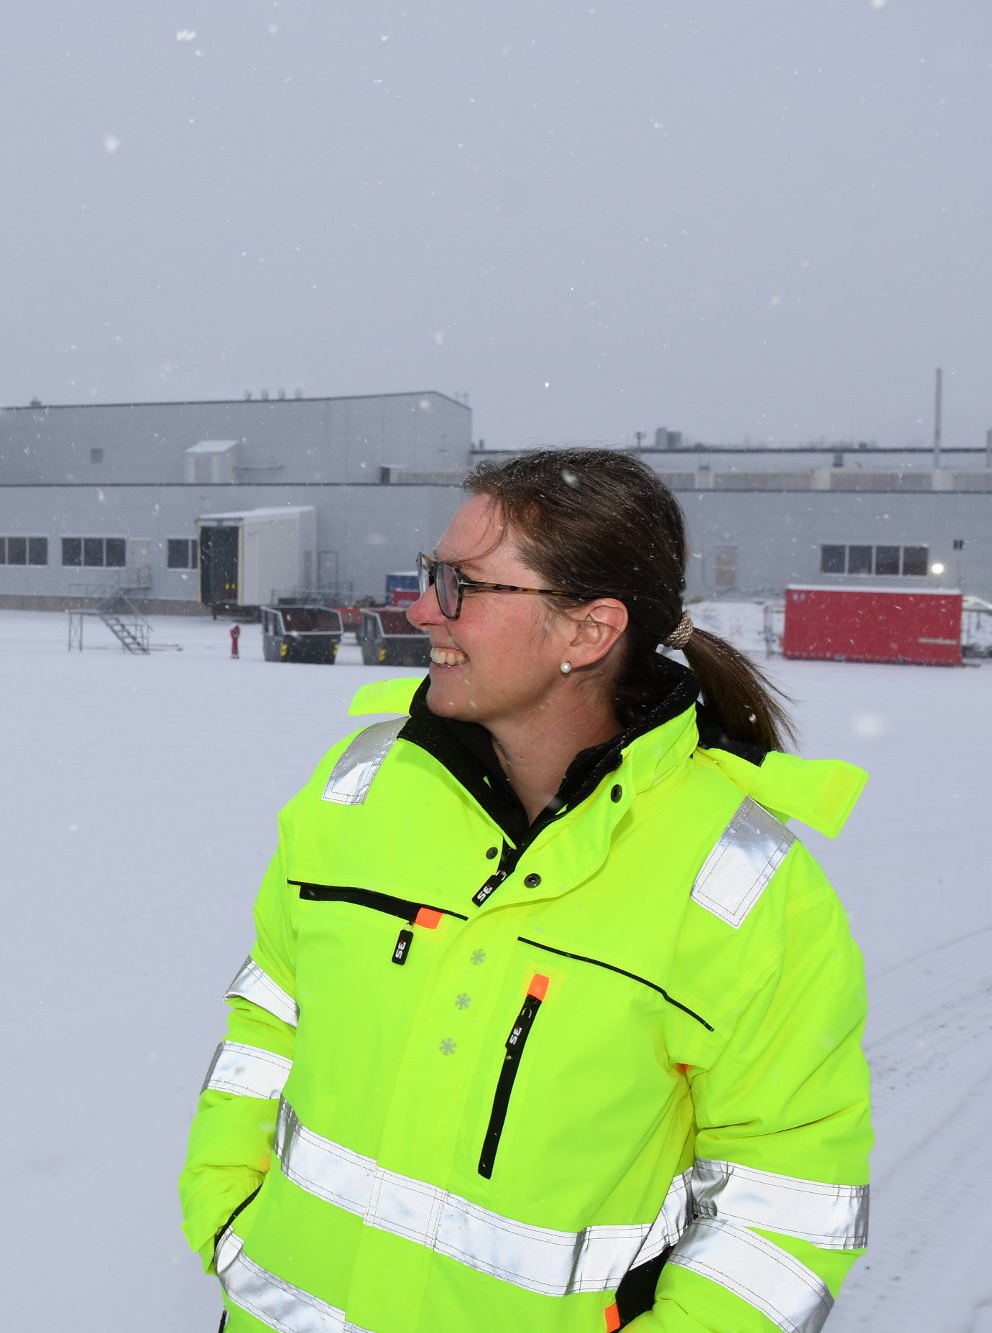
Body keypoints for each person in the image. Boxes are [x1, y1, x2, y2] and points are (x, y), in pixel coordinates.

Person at [179, 449, 871, 1331]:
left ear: (587, 631)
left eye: (463, 584)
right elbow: (270, 1014)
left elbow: (786, 1209)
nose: (420, 605)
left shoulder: (742, 890)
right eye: (433, 575)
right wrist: (230, 1209)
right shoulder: (359, 789)